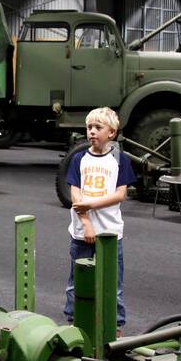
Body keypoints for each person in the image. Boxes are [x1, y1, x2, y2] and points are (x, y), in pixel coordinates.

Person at [65, 107, 135, 330]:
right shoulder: (78, 159)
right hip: (81, 233)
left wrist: (91, 204)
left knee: (112, 283)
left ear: (111, 132)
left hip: (109, 233)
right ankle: (75, 322)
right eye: (89, 128)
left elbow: (120, 194)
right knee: (76, 282)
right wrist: (86, 223)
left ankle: (114, 326)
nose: (92, 132)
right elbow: (75, 193)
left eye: (98, 127)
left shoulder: (119, 159)